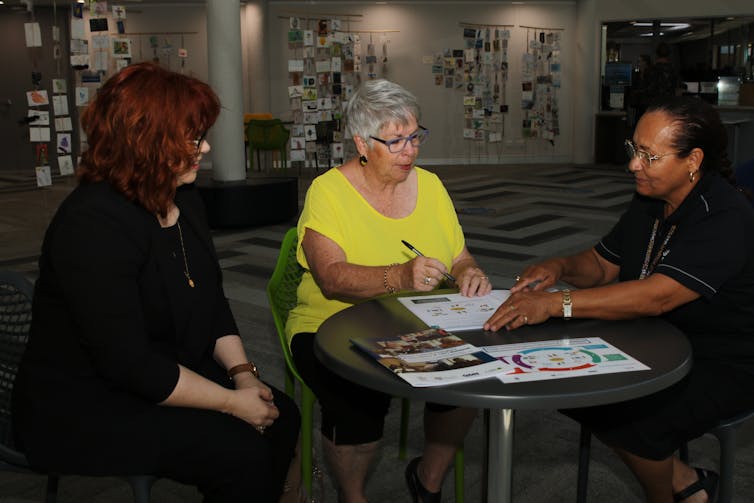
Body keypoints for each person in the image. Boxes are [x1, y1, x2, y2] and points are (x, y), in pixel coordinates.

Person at [11, 63, 301, 502]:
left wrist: (243, 375)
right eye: (191, 137)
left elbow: (211, 302)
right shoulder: (93, 224)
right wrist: (230, 402)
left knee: (284, 416)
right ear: (144, 143)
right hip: (86, 402)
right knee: (239, 452)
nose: (204, 147)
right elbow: (129, 365)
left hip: (162, 364)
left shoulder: (182, 196)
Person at [484, 95, 754, 503]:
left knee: (636, 419)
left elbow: (657, 297)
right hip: (651, 340)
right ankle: (686, 482)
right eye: (634, 150)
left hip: (723, 360)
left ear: (692, 160)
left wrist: (557, 304)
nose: (633, 165)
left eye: (649, 155)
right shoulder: (650, 197)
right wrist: (559, 267)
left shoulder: (725, 216)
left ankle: (682, 492)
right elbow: (602, 263)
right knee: (569, 389)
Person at [286, 79, 492, 503]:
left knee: (471, 375)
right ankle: (353, 495)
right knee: (358, 397)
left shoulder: (431, 186)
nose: (411, 151)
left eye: (415, 137)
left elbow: (460, 256)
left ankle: (427, 479)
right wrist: (397, 277)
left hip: (417, 321)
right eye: (395, 141)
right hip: (329, 325)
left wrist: (470, 271)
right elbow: (331, 277)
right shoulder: (328, 191)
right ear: (362, 142)